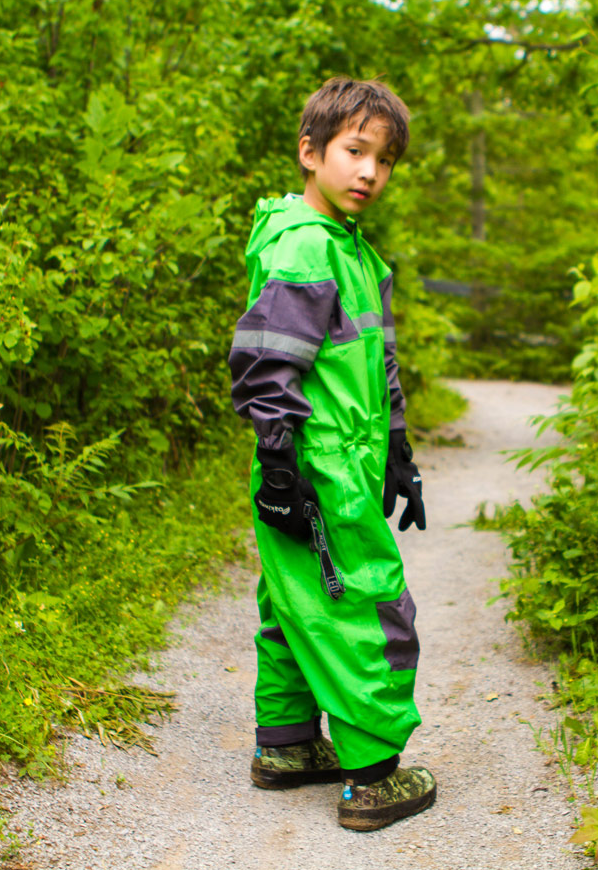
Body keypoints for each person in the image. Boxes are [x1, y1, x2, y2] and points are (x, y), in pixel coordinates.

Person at [228, 77, 435, 832]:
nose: (369, 173)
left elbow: (375, 369)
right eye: (354, 152)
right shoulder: (306, 245)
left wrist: (399, 449)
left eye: (382, 161)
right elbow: (263, 359)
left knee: (292, 598)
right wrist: (281, 457)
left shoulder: (358, 257)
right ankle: (373, 775)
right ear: (310, 153)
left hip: (341, 457)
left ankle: (284, 746)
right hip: (316, 464)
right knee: (366, 606)